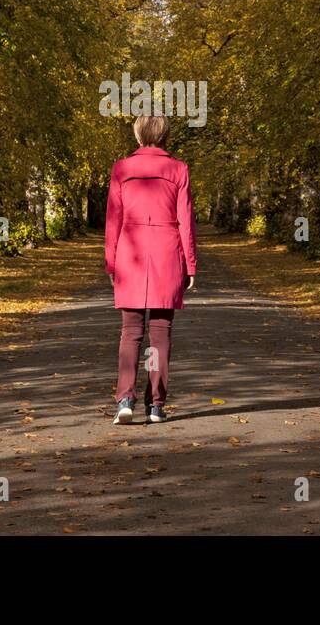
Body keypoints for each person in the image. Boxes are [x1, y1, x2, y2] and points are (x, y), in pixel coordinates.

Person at [104, 114, 197, 424]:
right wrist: (191, 263)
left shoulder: (122, 168)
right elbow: (186, 221)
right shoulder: (178, 169)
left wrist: (111, 260)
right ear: (165, 136)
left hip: (131, 255)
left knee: (130, 332)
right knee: (160, 334)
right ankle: (155, 405)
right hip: (167, 254)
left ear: (138, 135)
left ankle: (125, 401)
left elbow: (113, 221)